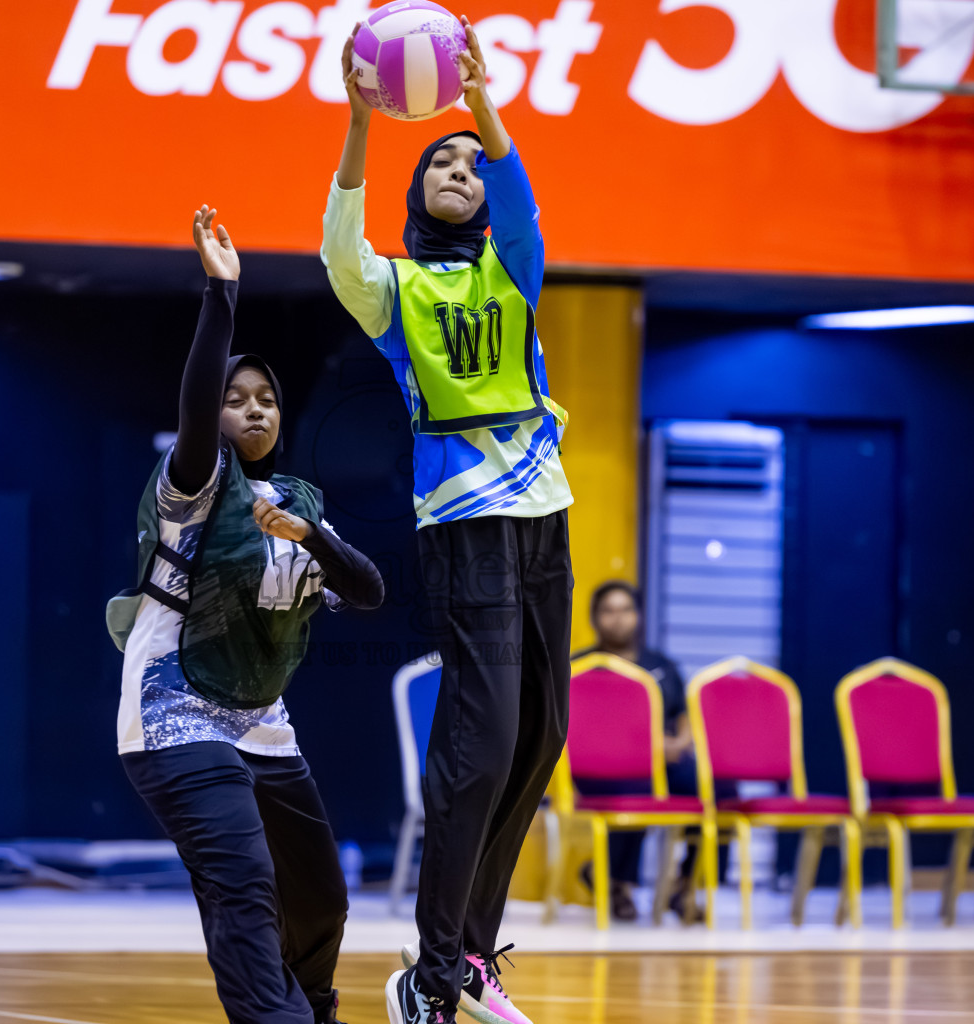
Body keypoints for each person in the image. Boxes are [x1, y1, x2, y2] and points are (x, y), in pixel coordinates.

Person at [322, 18, 573, 1024]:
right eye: (442, 162)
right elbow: (342, 248)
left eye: (473, 162)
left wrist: (481, 104)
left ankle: (469, 951)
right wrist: (358, 121)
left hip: (544, 513)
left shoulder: (516, 267)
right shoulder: (396, 289)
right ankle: (430, 971)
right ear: (417, 190)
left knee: (541, 736)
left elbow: (521, 204)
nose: (461, 167)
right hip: (463, 521)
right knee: (485, 732)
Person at [107, 206, 384, 1024]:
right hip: (174, 716)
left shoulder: (299, 502)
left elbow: (366, 591)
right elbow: (195, 415)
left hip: (263, 723)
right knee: (245, 888)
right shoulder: (193, 484)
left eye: (265, 399)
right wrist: (220, 296)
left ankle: (313, 1008)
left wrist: (315, 539)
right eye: (237, 398)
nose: (253, 409)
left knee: (321, 900)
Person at [571, 581, 693, 922]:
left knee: (716, 788)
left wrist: (681, 742)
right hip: (600, 766)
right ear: (595, 618)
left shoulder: (661, 666)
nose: (618, 619)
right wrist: (647, 749)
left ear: (638, 616)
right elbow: (581, 728)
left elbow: (681, 714)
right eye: (609, 611)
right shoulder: (579, 668)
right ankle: (618, 883)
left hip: (663, 762)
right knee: (635, 786)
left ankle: (686, 885)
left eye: (625, 610)